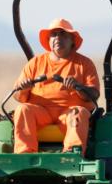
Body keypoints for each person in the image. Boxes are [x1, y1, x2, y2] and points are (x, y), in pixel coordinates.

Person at [12, 18, 101, 155]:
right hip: (41, 113)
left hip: (68, 114)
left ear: (72, 40)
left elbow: (94, 94)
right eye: (54, 35)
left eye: (63, 34)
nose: (58, 38)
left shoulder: (84, 63)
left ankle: (72, 155)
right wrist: (24, 88)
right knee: (23, 109)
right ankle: (25, 155)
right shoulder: (35, 63)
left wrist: (78, 87)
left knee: (78, 112)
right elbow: (18, 96)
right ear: (49, 40)